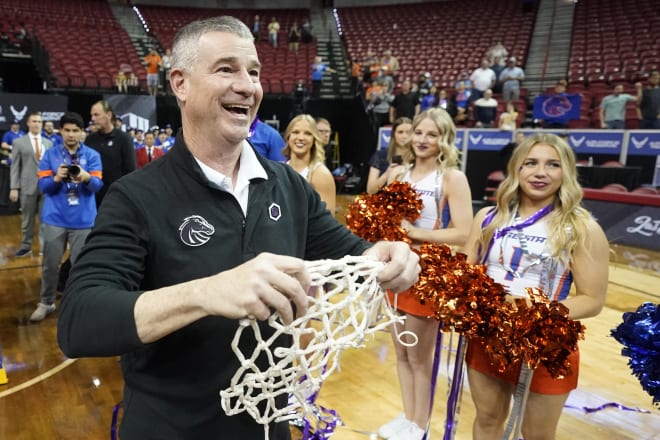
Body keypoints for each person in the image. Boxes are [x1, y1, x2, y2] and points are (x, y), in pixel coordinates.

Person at [57, 16, 420, 440]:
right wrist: (207, 292)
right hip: (170, 429)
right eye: (226, 69)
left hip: (269, 426)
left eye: (254, 72)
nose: (248, 86)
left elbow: (351, 253)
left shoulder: (288, 186)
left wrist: (383, 257)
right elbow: (80, 321)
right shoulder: (135, 196)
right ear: (180, 84)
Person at [464, 132, 609, 440]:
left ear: (566, 172)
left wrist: (536, 313)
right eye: (531, 163)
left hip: (547, 344)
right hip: (490, 337)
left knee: (537, 434)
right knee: (487, 419)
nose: (540, 172)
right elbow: (466, 276)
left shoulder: (582, 227)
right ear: (516, 168)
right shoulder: (488, 217)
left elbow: (592, 300)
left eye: (552, 165)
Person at [378, 108, 473, 440]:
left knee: (420, 357)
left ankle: (420, 427)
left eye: (432, 134)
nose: (422, 140)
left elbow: (462, 232)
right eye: (418, 132)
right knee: (401, 352)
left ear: (444, 139)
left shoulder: (451, 178)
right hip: (394, 269)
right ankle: (407, 419)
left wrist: (415, 235)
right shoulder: (397, 175)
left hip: (428, 274)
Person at [29, 112, 103, 322]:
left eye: (75, 130)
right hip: (54, 218)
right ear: (61, 131)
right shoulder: (50, 155)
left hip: (84, 220)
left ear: (81, 133)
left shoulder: (92, 156)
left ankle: (83, 305)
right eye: (67, 130)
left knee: (83, 266)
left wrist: (86, 176)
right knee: (50, 265)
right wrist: (56, 178)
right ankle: (46, 302)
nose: (71, 134)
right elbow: (43, 187)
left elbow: (97, 186)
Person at [10, 112, 53, 257]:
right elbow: (15, 166)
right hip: (27, 185)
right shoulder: (19, 142)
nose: (37, 124)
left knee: (45, 219)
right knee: (27, 219)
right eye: (34, 121)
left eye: (39, 122)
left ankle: (44, 247)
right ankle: (26, 246)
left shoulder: (49, 143)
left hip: (46, 186)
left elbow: (52, 165)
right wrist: (14, 187)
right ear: (28, 123)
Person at [86, 100, 137, 207]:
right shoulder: (90, 139)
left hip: (116, 199)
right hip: (92, 198)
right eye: (92, 115)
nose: (93, 119)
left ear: (108, 115)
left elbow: (130, 171)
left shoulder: (124, 139)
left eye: (96, 115)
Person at [283, 114, 336, 214]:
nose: (301, 137)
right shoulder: (280, 169)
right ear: (288, 137)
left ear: (314, 139)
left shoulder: (321, 174)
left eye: (308, 133)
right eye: (295, 132)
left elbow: (327, 222)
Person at [365, 116, 412, 194]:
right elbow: (370, 190)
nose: (404, 136)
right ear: (393, 134)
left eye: (408, 132)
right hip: (383, 203)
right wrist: (387, 173)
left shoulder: (419, 157)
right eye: (400, 132)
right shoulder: (380, 155)